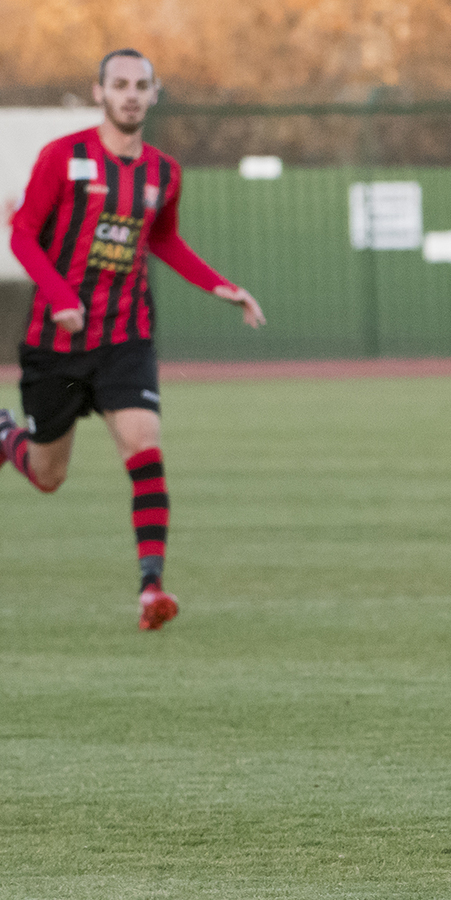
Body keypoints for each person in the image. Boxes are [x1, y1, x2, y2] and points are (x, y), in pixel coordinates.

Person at [2, 49, 265, 629]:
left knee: (145, 447)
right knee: (48, 476)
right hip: (56, 346)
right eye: (119, 84)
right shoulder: (63, 157)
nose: (130, 94)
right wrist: (61, 296)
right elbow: (21, 234)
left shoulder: (164, 173)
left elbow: (163, 240)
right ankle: (5, 435)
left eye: (140, 86)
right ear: (99, 92)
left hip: (125, 338)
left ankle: (152, 589)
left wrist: (220, 286)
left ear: (153, 94)